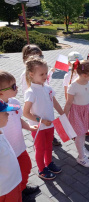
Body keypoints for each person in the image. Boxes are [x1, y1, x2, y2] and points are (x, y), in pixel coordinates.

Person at [0, 71, 40, 201]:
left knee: (26, 167)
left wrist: (28, 127)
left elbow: (18, 118)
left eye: (16, 85)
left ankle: (22, 188)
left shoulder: (15, 102)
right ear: (1, 92)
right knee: (12, 174)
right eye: (13, 87)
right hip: (7, 152)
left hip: (19, 146)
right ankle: (17, 190)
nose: (17, 88)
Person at [23, 56, 64, 180]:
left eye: (46, 73)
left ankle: (49, 163)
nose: (45, 76)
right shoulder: (30, 92)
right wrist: (40, 121)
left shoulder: (48, 88)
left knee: (49, 146)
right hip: (38, 128)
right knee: (40, 149)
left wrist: (63, 115)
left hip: (50, 125)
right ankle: (41, 169)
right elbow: (26, 113)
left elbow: (55, 103)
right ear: (31, 74)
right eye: (41, 74)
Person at [20, 45, 61, 146]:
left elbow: (46, 85)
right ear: (26, 59)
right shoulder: (26, 79)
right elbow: (27, 97)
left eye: (40, 57)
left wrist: (50, 72)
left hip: (47, 112)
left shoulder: (44, 81)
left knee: (47, 142)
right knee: (40, 145)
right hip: (36, 116)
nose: (38, 59)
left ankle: (51, 140)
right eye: (35, 57)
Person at [64, 60, 89, 168]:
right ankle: (81, 157)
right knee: (80, 134)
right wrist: (64, 117)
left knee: (83, 132)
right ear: (84, 75)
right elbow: (68, 103)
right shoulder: (73, 86)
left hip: (85, 111)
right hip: (76, 113)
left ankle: (82, 149)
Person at [0, 100, 22, 202]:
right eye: (5, 113)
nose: (8, 114)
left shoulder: (1, 129)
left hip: (14, 182)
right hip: (6, 189)